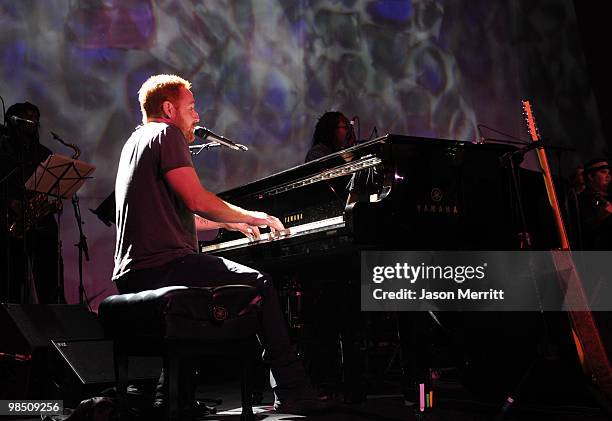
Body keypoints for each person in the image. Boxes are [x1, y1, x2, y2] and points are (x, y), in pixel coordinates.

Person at [112, 74, 325, 415]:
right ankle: (293, 390)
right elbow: (197, 199)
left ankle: (171, 397)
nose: (197, 117)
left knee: (199, 291)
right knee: (261, 284)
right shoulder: (166, 134)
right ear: (168, 108)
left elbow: (185, 213)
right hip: (162, 267)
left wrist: (231, 222)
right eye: (191, 108)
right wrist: (254, 216)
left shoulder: (136, 142)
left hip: (135, 273)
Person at [0, 102, 63, 304]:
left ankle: (53, 319)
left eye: (35, 120)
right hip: (10, 221)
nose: (33, 124)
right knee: (11, 281)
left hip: (39, 221)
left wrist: (52, 201)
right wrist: (10, 201)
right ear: (13, 122)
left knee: (49, 277)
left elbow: (49, 188)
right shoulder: (2, 147)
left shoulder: (43, 153)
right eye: (27, 119)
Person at [577, 158, 612, 249]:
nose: (608, 176)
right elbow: (579, 231)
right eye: (603, 172)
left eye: (608, 173)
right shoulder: (581, 200)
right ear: (591, 176)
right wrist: (600, 218)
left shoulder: (607, 197)